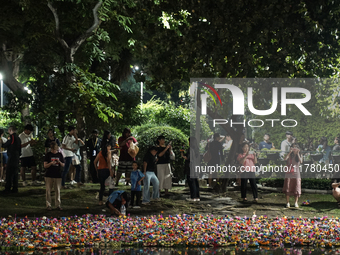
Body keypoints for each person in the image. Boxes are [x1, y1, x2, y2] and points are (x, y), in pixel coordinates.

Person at [44, 141, 64, 210]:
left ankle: (58, 205)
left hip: (57, 174)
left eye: (55, 149)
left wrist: (59, 162)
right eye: (52, 149)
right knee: (48, 190)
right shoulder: (48, 155)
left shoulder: (60, 155)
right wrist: (50, 163)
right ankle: (48, 205)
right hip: (49, 174)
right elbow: (45, 165)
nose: (54, 151)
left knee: (57, 190)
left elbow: (63, 164)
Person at [1, 126, 21, 194]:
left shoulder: (12, 137)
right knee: (15, 173)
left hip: (12, 157)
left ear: (10, 130)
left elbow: (7, 144)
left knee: (9, 172)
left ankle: (8, 188)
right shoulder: (18, 138)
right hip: (16, 156)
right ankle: (15, 188)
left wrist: (3, 145)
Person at [283, 143, 302, 208]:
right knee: (288, 186)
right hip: (289, 172)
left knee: (296, 186)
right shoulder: (289, 154)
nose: (294, 149)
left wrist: (298, 154)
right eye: (293, 147)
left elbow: (301, 161)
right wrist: (289, 152)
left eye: (295, 147)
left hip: (296, 173)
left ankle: (296, 202)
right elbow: (285, 159)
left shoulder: (299, 154)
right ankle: (287, 202)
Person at [94, 141, 113, 205]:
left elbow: (95, 162)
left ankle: (100, 201)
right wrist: (111, 171)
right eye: (109, 146)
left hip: (100, 170)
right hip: (106, 170)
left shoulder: (100, 153)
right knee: (111, 186)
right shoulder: (108, 152)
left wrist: (97, 169)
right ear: (108, 147)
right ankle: (110, 201)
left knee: (102, 187)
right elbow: (108, 162)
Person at [181, 137, 200, 202]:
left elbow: (188, 158)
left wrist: (183, 156)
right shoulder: (197, 149)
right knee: (195, 182)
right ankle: (197, 196)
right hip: (195, 167)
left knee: (191, 182)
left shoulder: (190, 149)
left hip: (190, 167)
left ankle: (193, 197)